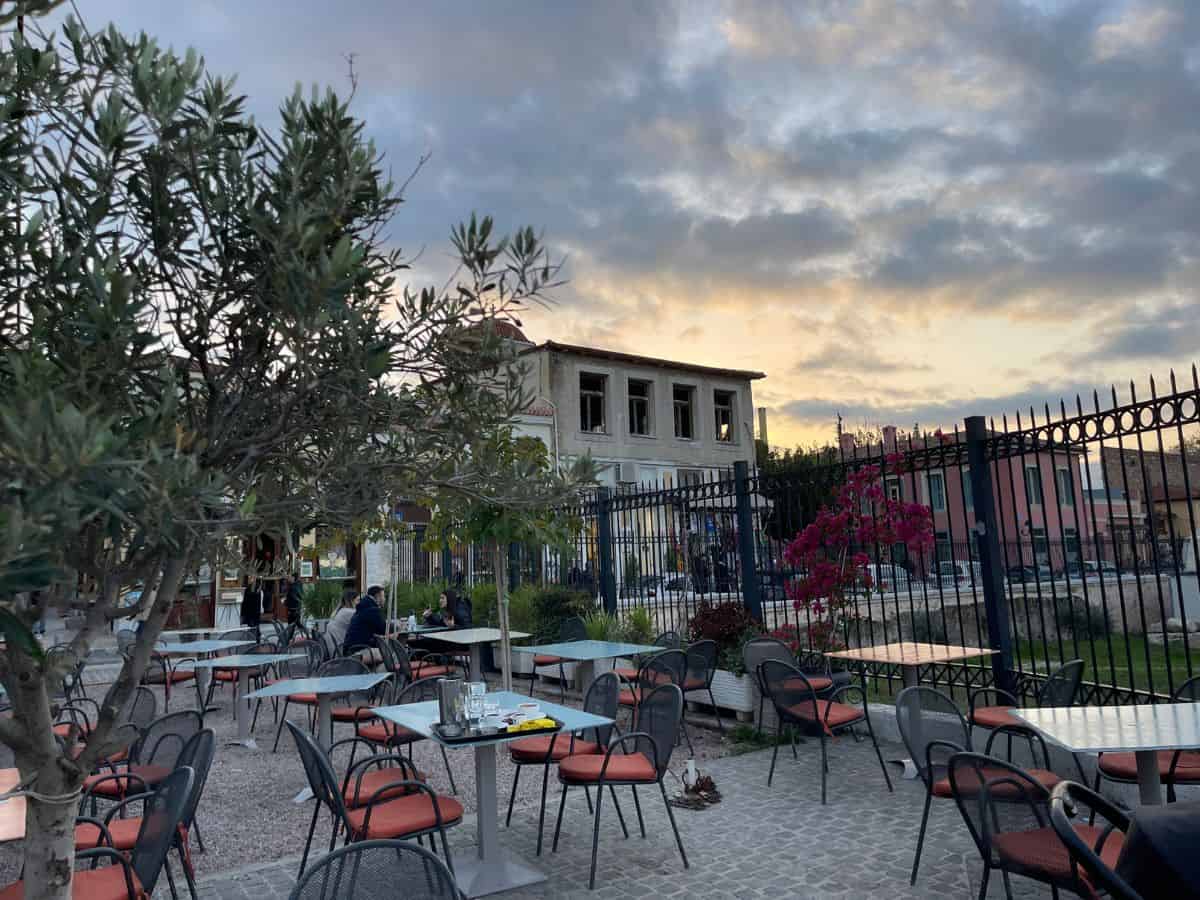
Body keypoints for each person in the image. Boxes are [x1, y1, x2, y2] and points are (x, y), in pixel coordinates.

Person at [343, 585, 387, 654]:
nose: (385, 599)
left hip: (350, 649)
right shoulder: (373, 610)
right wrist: (396, 628)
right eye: (384, 596)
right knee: (388, 655)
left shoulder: (364, 607)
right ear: (378, 596)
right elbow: (384, 630)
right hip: (357, 651)